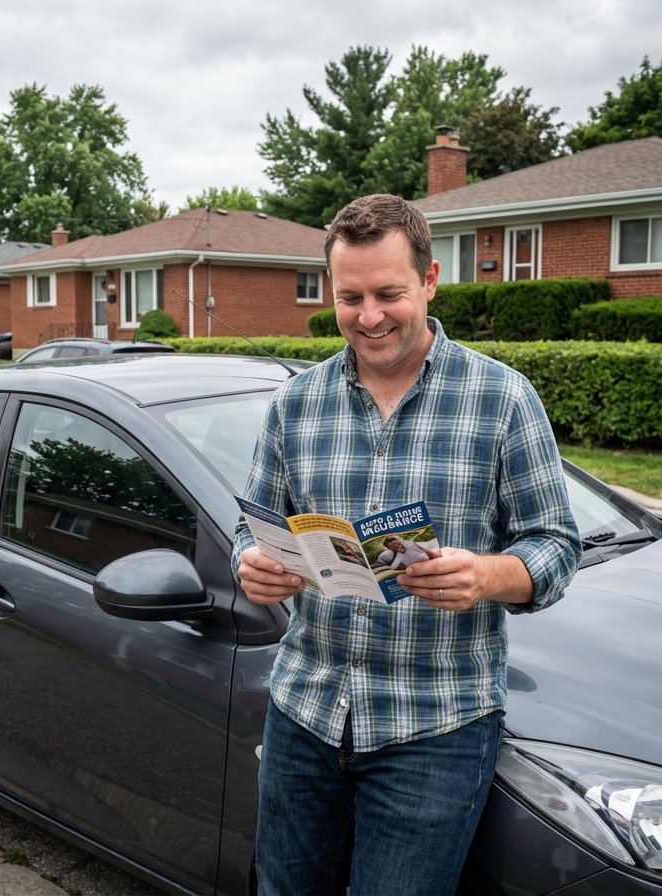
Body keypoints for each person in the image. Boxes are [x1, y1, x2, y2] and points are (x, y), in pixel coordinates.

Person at [233, 194, 580, 895]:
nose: (369, 316)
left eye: (388, 294)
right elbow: (253, 524)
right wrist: (253, 562)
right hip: (304, 709)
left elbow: (556, 544)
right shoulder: (295, 403)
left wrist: (487, 575)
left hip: (435, 726)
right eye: (350, 297)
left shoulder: (503, 399)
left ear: (429, 280)